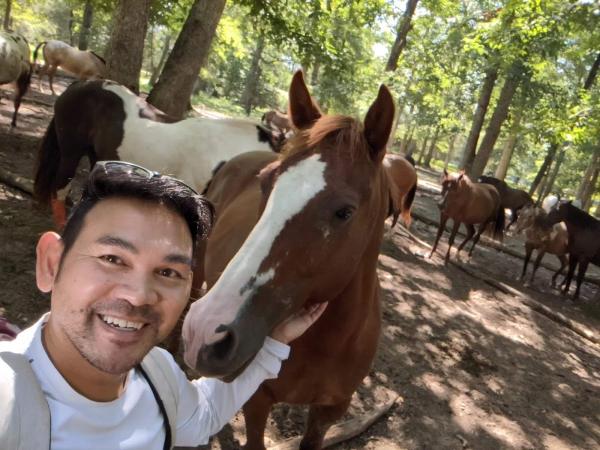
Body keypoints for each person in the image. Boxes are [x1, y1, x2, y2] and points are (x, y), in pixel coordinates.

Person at [0, 161, 327, 449]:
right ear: (51, 264)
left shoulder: (156, 374)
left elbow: (202, 416)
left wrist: (274, 341)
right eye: (112, 258)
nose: (140, 295)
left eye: (168, 272)